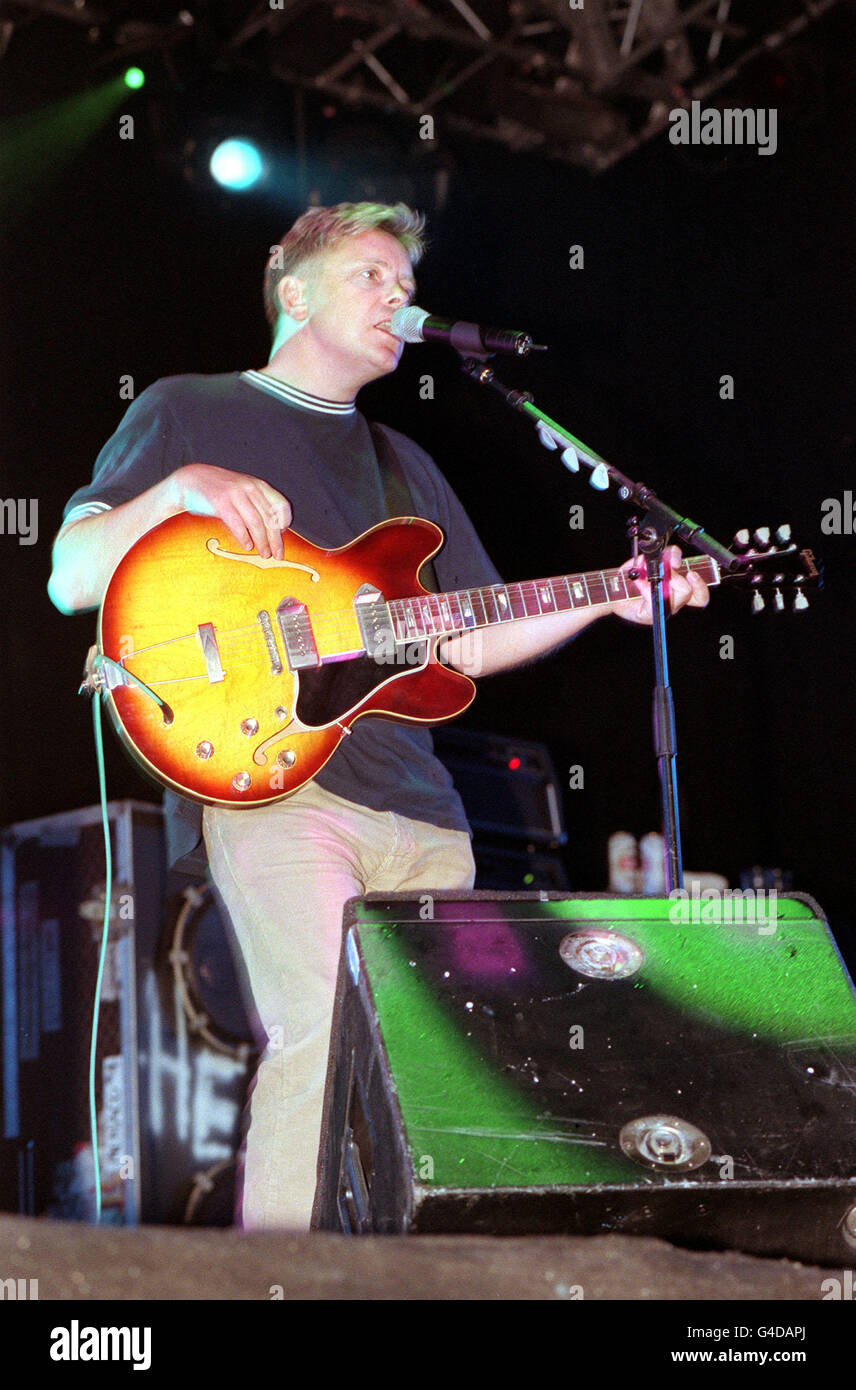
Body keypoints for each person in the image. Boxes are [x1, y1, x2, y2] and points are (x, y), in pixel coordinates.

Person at [49, 201, 708, 1231]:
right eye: (371, 275)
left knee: (432, 1056)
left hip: (422, 807)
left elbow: (469, 640)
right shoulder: (188, 410)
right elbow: (72, 575)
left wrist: (610, 594)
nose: (399, 297)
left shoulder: (405, 466)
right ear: (295, 290)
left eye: (405, 284)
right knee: (318, 1025)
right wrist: (178, 490)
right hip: (280, 779)